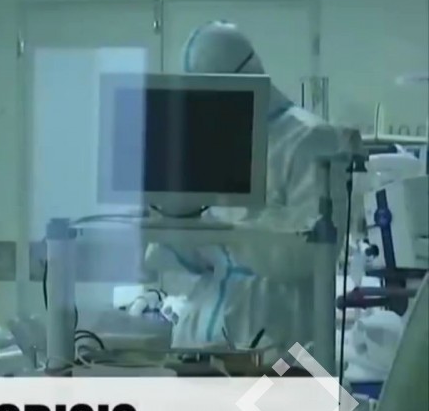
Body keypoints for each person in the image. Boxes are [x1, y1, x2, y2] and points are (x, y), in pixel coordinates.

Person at [151, 21, 355, 350]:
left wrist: (226, 227)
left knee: (286, 381)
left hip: (282, 339)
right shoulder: (214, 139)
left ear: (250, 76)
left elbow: (308, 256)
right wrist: (176, 221)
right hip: (205, 333)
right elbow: (200, 260)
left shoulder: (311, 139)